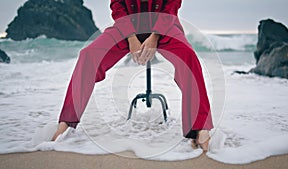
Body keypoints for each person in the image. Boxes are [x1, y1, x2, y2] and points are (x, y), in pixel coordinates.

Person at [52, 0, 213, 151]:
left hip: (164, 25)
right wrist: (131, 38)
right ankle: (67, 123)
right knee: (88, 55)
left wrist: (155, 36)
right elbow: (117, 5)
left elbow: (171, 4)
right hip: (127, 27)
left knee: (188, 56)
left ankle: (199, 127)